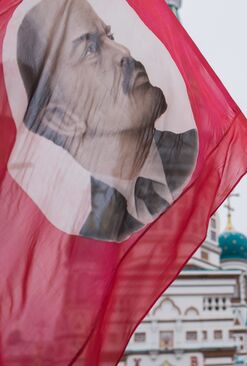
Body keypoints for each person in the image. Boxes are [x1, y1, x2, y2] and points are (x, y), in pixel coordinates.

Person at [16, 0, 198, 241]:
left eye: (109, 36)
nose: (123, 52)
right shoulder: (91, 234)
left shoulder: (198, 152)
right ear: (60, 120)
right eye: (89, 50)